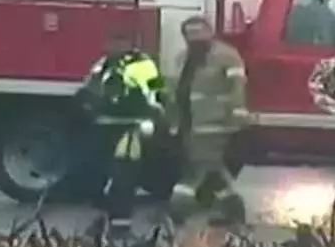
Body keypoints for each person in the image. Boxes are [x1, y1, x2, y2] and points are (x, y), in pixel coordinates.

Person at [167, 16, 250, 227]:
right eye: (190, 33)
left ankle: (179, 209)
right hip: (189, 124)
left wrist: (238, 113)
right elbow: (174, 90)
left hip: (216, 122)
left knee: (197, 168)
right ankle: (232, 210)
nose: (195, 37)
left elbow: (237, 85)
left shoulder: (227, 56)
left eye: (199, 32)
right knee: (211, 169)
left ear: (210, 32)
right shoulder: (181, 58)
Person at [75, 36, 167, 217]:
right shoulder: (103, 63)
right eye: (112, 43)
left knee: (125, 170)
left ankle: (121, 209)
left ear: (130, 45)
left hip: (131, 124)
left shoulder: (143, 64)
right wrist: (86, 103)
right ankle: (102, 202)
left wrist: (157, 112)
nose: (115, 47)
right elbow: (91, 86)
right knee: (99, 166)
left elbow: (156, 90)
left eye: (120, 43)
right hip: (105, 123)